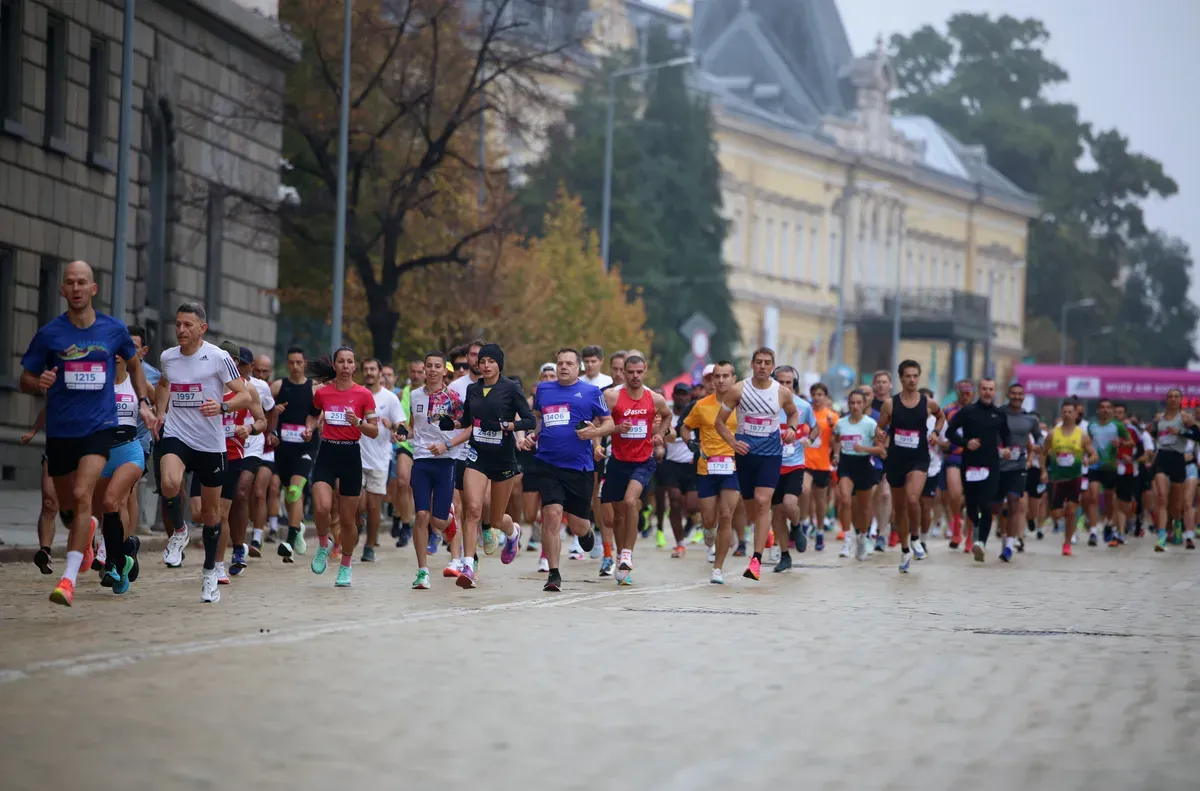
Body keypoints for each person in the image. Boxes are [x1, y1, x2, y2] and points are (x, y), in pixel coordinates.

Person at [21, 261, 156, 606]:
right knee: (66, 507)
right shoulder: (51, 333)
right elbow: (25, 378)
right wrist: (40, 383)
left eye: (83, 282)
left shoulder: (112, 330)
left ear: (93, 289)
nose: (77, 288)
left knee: (85, 494)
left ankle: (67, 580)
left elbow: (136, 366)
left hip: (100, 429)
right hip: (62, 431)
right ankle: (85, 530)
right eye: (70, 283)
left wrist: (143, 401)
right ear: (63, 290)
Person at [152, 303, 250, 603]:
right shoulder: (168, 357)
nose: (181, 330)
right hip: (178, 435)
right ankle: (179, 531)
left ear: (202, 329)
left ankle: (209, 573)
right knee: (168, 483)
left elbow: (244, 395)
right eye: (178, 324)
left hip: (210, 443)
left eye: (188, 325)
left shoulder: (218, 357)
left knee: (210, 515)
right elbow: (165, 384)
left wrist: (222, 406)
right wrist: (159, 412)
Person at [442, 343, 535, 589]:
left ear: (499, 364)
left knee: (495, 520)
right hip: (477, 455)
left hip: (503, 459)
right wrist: (449, 423)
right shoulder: (473, 389)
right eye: (482, 361)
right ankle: (469, 564)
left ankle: (512, 532)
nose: (485, 365)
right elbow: (467, 420)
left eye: (491, 361)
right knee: (472, 509)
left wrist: (505, 426)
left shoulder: (511, 389)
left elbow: (529, 420)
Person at [520, 347, 613, 591]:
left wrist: (596, 433)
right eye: (560, 363)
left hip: (579, 466)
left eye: (569, 364)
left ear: (578, 368)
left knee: (577, 524)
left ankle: (586, 532)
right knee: (551, 514)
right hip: (548, 463)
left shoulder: (591, 392)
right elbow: (539, 419)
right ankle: (554, 573)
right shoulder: (544, 390)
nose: (563, 367)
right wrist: (532, 435)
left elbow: (609, 422)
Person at [713, 347, 803, 581]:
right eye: (758, 362)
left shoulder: (781, 393)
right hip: (745, 454)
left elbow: (793, 414)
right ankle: (766, 531)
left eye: (767, 363)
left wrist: (792, 429)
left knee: (764, 502)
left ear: (772, 366)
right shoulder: (738, 390)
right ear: (752, 365)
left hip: (771, 454)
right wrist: (733, 443)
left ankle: (756, 560)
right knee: (752, 509)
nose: (762, 366)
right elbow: (720, 423)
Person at [302, 348, 379, 587]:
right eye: (341, 362)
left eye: (350, 362)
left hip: (350, 455)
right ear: (334, 366)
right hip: (327, 452)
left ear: (355, 366)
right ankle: (324, 544)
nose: (345, 366)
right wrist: (309, 428)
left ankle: (346, 565)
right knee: (322, 506)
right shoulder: (323, 393)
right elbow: (313, 416)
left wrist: (358, 422)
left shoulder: (364, 394)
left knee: (348, 521)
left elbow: (374, 431)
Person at [601, 354, 673, 585]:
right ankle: (622, 562)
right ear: (623, 371)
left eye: (639, 372)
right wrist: (613, 430)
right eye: (630, 372)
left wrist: (660, 434)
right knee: (618, 515)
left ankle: (627, 554)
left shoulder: (654, 398)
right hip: (617, 460)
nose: (634, 376)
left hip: (643, 460)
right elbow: (598, 422)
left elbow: (668, 415)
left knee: (631, 502)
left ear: (645, 371)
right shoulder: (612, 397)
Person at [874, 360, 944, 572]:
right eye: (908, 376)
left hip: (919, 458)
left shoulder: (927, 403)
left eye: (915, 376)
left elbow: (940, 417)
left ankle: (915, 539)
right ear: (901, 378)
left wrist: (935, 432)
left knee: (914, 498)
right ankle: (904, 550)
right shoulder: (890, 404)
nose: (912, 380)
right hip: (896, 459)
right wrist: (880, 435)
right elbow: (880, 427)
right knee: (900, 507)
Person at [406, 351, 464, 589]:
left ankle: (448, 519)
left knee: (437, 521)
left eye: (436, 366)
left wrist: (446, 444)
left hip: (445, 460)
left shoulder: (454, 397)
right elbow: (412, 428)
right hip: (420, 459)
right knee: (421, 515)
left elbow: (466, 427)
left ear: (444, 370)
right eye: (428, 366)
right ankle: (422, 571)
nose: (431, 370)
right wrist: (400, 433)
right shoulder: (414, 395)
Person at [681, 361, 742, 584]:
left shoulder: (742, 405)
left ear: (734, 379)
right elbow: (685, 427)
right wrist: (690, 443)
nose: (722, 380)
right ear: (712, 380)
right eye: (718, 376)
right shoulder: (701, 405)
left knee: (726, 515)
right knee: (709, 519)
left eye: (726, 376)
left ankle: (718, 568)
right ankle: (708, 533)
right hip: (707, 467)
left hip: (732, 467)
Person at [214, 342, 268, 579]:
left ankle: (236, 550)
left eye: (240, 363)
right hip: (213, 449)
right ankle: (219, 551)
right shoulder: (209, 384)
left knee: (242, 493)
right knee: (207, 510)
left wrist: (251, 428)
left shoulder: (254, 388)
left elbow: (265, 417)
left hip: (247, 448)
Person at [945, 378, 1010, 563]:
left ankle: (981, 543)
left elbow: (1007, 437)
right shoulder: (968, 412)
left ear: (995, 391)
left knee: (986, 503)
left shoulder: (999, 414)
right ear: (979, 391)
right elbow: (950, 433)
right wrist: (966, 443)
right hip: (970, 465)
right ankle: (973, 525)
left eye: (991, 389)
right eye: (984, 389)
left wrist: (1006, 449)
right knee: (972, 505)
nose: (987, 392)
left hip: (991, 465)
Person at [769, 365, 818, 572]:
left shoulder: (803, 406)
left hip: (794, 463)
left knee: (789, 505)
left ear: (795, 384)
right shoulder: (767, 405)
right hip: (771, 465)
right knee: (777, 514)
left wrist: (809, 438)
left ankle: (797, 527)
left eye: (789, 382)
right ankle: (785, 555)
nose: (785, 386)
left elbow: (815, 427)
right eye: (781, 382)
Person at [359, 358, 406, 563]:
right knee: (357, 505)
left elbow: (403, 430)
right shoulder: (357, 394)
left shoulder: (390, 398)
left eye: (373, 369)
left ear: (380, 373)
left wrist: (393, 426)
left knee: (373, 506)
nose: (369, 373)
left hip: (379, 460)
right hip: (357, 456)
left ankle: (369, 545)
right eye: (366, 369)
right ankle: (352, 534)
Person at [271, 346, 315, 561]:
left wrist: (312, 428)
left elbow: (320, 416)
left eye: (299, 362)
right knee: (290, 495)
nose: (295, 367)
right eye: (291, 362)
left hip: (306, 447)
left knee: (295, 491)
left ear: (305, 363)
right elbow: (261, 410)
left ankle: (289, 540)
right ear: (287, 363)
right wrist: (273, 414)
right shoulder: (278, 386)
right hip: (284, 448)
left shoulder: (314, 388)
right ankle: (297, 529)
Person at [832, 390, 885, 561]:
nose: (855, 406)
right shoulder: (841, 423)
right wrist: (836, 454)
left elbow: (881, 450)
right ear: (848, 404)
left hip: (864, 465)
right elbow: (837, 439)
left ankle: (862, 537)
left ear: (864, 405)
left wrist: (864, 449)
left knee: (864, 507)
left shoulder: (870, 424)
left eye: (858, 403)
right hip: (846, 464)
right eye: (852, 403)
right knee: (845, 500)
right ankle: (847, 539)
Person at [1043, 402, 1098, 555]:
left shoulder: (1082, 435)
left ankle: (1067, 543)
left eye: (1070, 412)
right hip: (1057, 479)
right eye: (1064, 412)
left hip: (1075, 477)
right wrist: (1043, 471)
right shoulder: (1053, 434)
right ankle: (1062, 526)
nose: (1067, 414)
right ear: (1061, 414)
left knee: (1072, 511)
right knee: (1056, 514)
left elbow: (1094, 455)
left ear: (1075, 415)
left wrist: (1089, 460)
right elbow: (1043, 452)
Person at [996, 383, 1042, 561]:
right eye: (1013, 394)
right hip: (999, 466)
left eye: (1019, 394)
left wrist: (1039, 445)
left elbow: (1039, 436)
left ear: (1023, 396)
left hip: (1018, 467)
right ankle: (1004, 536)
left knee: (1014, 502)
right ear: (1008, 394)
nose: (1016, 397)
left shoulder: (1030, 419)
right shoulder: (998, 413)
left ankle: (1009, 545)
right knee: (1000, 506)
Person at [1084, 398, 1132, 547]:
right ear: (1098, 410)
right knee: (1093, 496)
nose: (1105, 410)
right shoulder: (1091, 425)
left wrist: (1121, 443)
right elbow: (1086, 443)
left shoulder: (1117, 425)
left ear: (1111, 410)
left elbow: (1131, 442)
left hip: (1111, 467)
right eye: (1102, 407)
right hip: (1094, 467)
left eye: (1108, 408)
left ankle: (1109, 523)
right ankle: (1092, 532)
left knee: (1109, 498)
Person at [1151, 388, 1195, 551]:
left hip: (1178, 459)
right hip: (1162, 457)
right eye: (1170, 396)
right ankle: (1161, 536)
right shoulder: (1159, 417)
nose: (1173, 399)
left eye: (1176, 397)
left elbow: (1197, 435)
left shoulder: (1185, 418)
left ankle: (1176, 523)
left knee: (1176, 505)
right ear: (1166, 399)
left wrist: (1181, 432)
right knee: (1162, 498)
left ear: (1181, 399)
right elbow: (1156, 435)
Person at [660, 382, 698, 557]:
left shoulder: (695, 415)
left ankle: (694, 526)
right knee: (675, 501)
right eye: (679, 394)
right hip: (671, 464)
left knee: (691, 506)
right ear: (673, 396)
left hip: (692, 465)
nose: (682, 398)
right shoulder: (666, 416)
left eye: (685, 395)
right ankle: (680, 543)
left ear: (689, 397)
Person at [248, 354, 278, 555]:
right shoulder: (234, 384)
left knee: (260, 491)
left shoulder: (267, 387)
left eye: (264, 371)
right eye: (256, 370)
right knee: (244, 493)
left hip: (264, 448)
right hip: (241, 446)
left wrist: (272, 432)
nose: (260, 374)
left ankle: (257, 537)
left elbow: (272, 411)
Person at [804, 383, 837, 553]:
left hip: (823, 463)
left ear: (825, 396)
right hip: (806, 461)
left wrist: (836, 454)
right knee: (804, 491)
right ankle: (804, 523)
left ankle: (819, 531)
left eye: (820, 394)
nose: (817, 397)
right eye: (814, 394)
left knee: (820, 501)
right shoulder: (805, 413)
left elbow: (836, 441)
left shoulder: (832, 417)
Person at [943, 379, 975, 549]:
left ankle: (969, 535)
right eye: (962, 393)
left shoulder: (978, 411)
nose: (965, 396)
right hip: (954, 457)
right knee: (955, 495)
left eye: (968, 393)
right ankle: (956, 523)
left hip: (974, 459)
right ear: (957, 392)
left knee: (971, 498)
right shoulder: (949, 411)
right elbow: (943, 434)